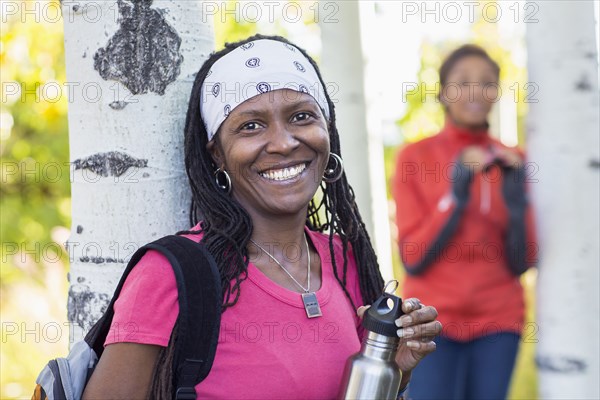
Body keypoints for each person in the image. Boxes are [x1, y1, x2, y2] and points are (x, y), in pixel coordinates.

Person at [82, 34, 442, 399]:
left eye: (301, 117)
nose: (284, 142)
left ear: (327, 132)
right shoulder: (171, 273)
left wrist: (393, 370)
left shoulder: (346, 259)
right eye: (251, 125)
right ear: (218, 155)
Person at [391, 44, 538, 400]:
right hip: (430, 320)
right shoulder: (415, 156)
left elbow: (524, 261)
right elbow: (413, 257)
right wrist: (456, 195)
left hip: (498, 321)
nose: (476, 92)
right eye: (464, 82)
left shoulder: (514, 160)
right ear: (443, 92)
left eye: (487, 83)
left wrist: (516, 202)